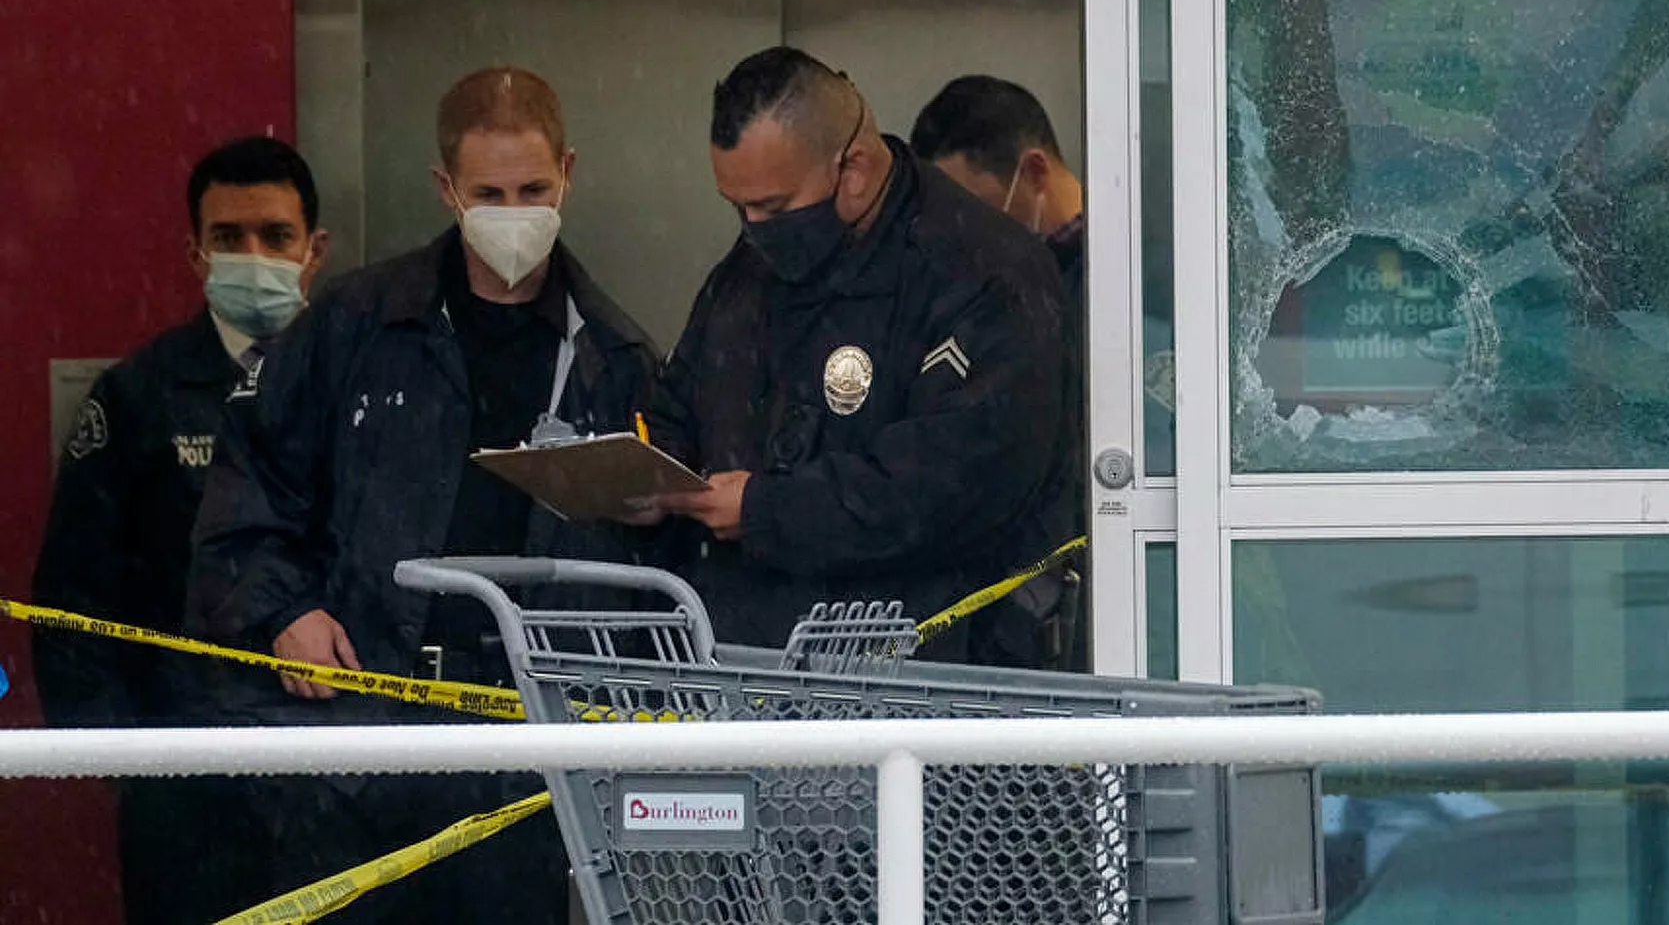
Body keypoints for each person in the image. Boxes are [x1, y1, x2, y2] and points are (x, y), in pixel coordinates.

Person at [187, 68, 662, 924]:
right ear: (447, 188)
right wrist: (284, 610)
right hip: (364, 737)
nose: (513, 211)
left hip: (536, 754)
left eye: (533, 189)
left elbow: (653, 586)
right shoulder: (355, 325)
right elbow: (242, 502)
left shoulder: (617, 358)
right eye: (489, 192)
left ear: (569, 175)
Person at [648, 47, 1074, 663]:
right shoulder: (750, 269)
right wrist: (648, 474)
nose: (752, 227)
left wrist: (766, 510)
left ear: (854, 167)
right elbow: (683, 398)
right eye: (736, 208)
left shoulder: (985, 271)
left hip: (929, 679)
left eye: (771, 207)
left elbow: (951, 485)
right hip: (749, 670)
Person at [32, 135, 328, 925]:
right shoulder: (140, 396)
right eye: (229, 238)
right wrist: (126, 759)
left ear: (315, 250)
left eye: (276, 236)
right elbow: (72, 600)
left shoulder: (363, 388)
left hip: (341, 771)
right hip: (187, 776)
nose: (253, 256)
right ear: (195, 253)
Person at [910, 76, 1088, 669]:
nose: (969, 232)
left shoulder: (1126, 276)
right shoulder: (970, 289)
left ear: (1034, 171)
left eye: (977, 206)